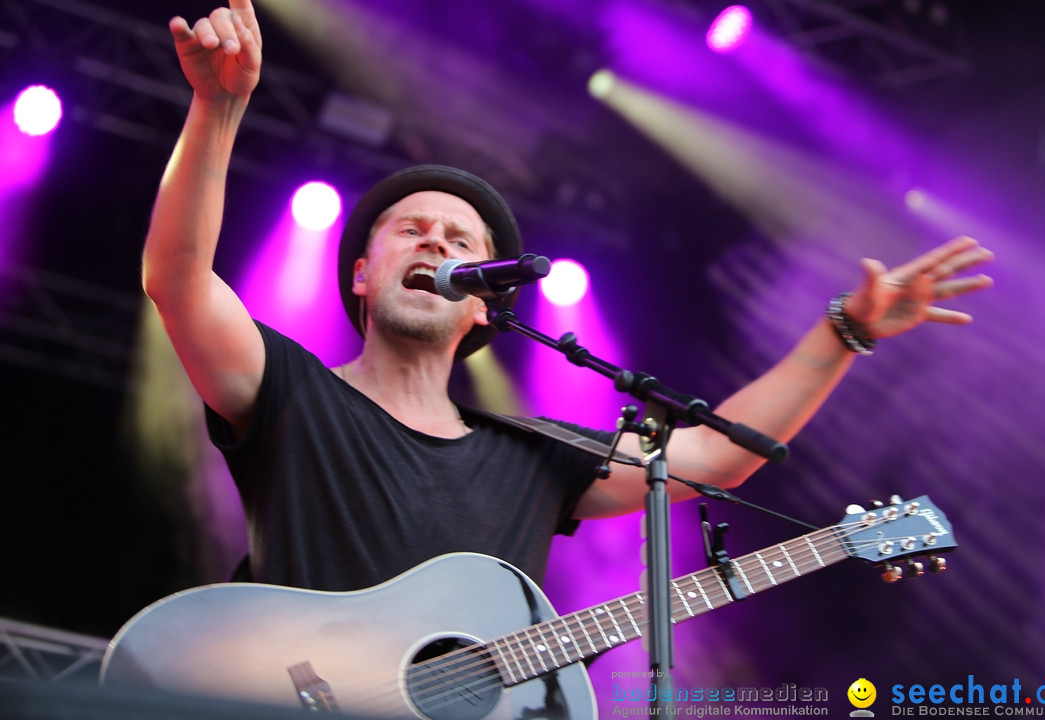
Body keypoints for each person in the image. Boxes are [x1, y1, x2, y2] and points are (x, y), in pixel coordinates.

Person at [147, 0, 994, 593]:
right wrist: (218, 108)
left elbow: (708, 460)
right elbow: (178, 280)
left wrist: (845, 330)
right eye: (410, 230)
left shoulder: (532, 453)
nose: (437, 240)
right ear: (361, 276)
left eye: (461, 241)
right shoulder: (293, 390)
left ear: (484, 302)